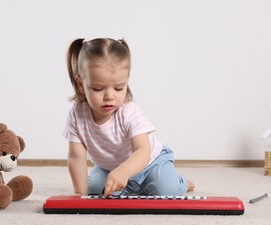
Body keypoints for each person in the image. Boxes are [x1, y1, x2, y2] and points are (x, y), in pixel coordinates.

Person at [63, 38, 195, 197]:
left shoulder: (128, 112)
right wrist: (79, 192)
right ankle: (133, 186)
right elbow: (76, 156)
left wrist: (124, 171)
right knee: (93, 190)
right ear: (80, 84)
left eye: (119, 88)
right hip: (110, 168)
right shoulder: (77, 115)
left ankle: (180, 183)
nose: (109, 96)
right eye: (98, 89)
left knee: (167, 191)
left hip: (150, 163)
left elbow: (142, 151)